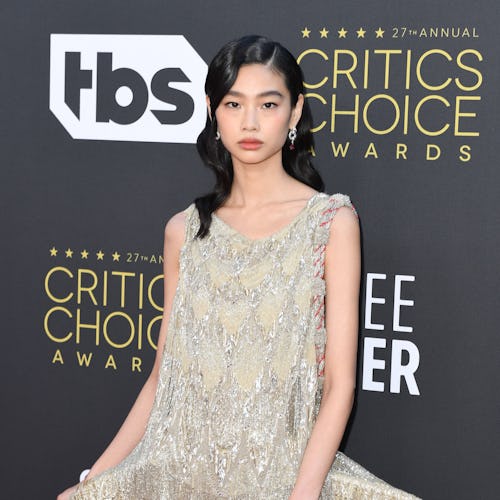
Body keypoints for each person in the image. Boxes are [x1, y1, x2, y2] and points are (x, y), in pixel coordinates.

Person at [58, 35, 420, 499]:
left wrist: (302, 494)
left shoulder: (330, 223)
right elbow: (160, 380)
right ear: (213, 111)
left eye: (268, 104)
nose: (250, 122)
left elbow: (339, 385)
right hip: (180, 475)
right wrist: (93, 479)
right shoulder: (183, 232)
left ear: (294, 113)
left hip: (287, 477)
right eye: (234, 104)